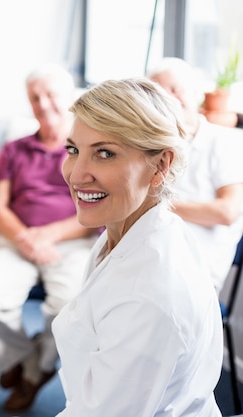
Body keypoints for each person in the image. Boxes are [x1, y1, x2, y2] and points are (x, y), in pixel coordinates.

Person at [54, 77, 223, 416]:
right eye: (73, 150)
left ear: (160, 165)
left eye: (105, 153)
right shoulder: (134, 230)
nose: (76, 174)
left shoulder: (148, 295)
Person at [0, 63, 97, 414]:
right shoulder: (14, 149)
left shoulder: (88, 147)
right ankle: (27, 361)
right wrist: (27, 238)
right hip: (17, 241)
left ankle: (36, 370)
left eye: (51, 95)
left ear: (69, 99)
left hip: (72, 241)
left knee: (69, 306)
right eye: (35, 97)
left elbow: (97, 208)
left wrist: (50, 235)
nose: (43, 103)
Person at [147, 57, 243, 292]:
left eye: (176, 89)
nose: (170, 99)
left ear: (196, 93)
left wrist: (157, 203)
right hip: (150, 256)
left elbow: (227, 212)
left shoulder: (224, 141)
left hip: (195, 270)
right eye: (160, 94)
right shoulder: (149, 146)